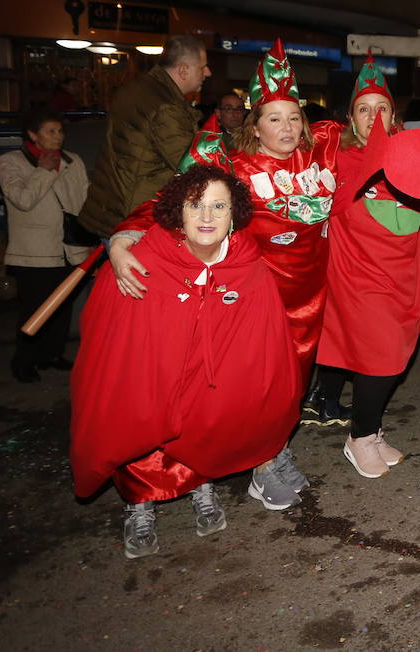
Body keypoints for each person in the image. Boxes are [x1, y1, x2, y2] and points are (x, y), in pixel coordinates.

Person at [107, 41, 369, 511]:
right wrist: (124, 235)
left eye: (294, 117)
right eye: (274, 118)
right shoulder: (233, 166)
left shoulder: (323, 152)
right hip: (256, 299)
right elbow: (171, 201)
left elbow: (370, 137)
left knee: (292, 388)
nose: (286, 127)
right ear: (255, 123)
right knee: (256, 387)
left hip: (311, 299)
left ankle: (274, 447)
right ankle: (263, 465)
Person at [69, 165, 301, 559]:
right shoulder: (143, 261)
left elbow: (264, 342)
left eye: (218, 206)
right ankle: (139, 505)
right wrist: (120, 244)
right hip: (155, 375)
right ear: (180, 211)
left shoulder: (247, 266)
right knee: (138, 410)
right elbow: (112, 344)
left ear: (234, 215)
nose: (207, 217)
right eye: (196, 206)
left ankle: (200, 483)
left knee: (213, 405)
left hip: (207, 384)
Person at [320, 57, 420, 477]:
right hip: (360, 275)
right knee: (380, 357)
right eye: (364, 108)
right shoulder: (338, 157)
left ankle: (372, 430)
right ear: (350, 117)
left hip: (405, 272)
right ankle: (359, 436)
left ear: (394, 114)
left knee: (396, 357)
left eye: (381, 107)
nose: (373, 115)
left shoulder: (411, 154)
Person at [79, 35, 209, 237]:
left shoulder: (137, 89)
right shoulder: (167, 107)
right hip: (135, 218)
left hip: (111, 207)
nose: (207, 73)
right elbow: (192, 165)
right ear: (184, 70)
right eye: (202, 67)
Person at [0, 109, 92, 382]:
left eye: (60, 131)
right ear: (33, 135)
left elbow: (84, 199)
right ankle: (24, 361)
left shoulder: (74, 161)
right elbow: (22, 200)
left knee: (62, 308)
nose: (58, 137)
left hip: (69, 248)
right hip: (34, 250)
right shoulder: (10, 162)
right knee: (35, 308)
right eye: (50, 131)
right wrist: (44, 172)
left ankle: (52, 355)